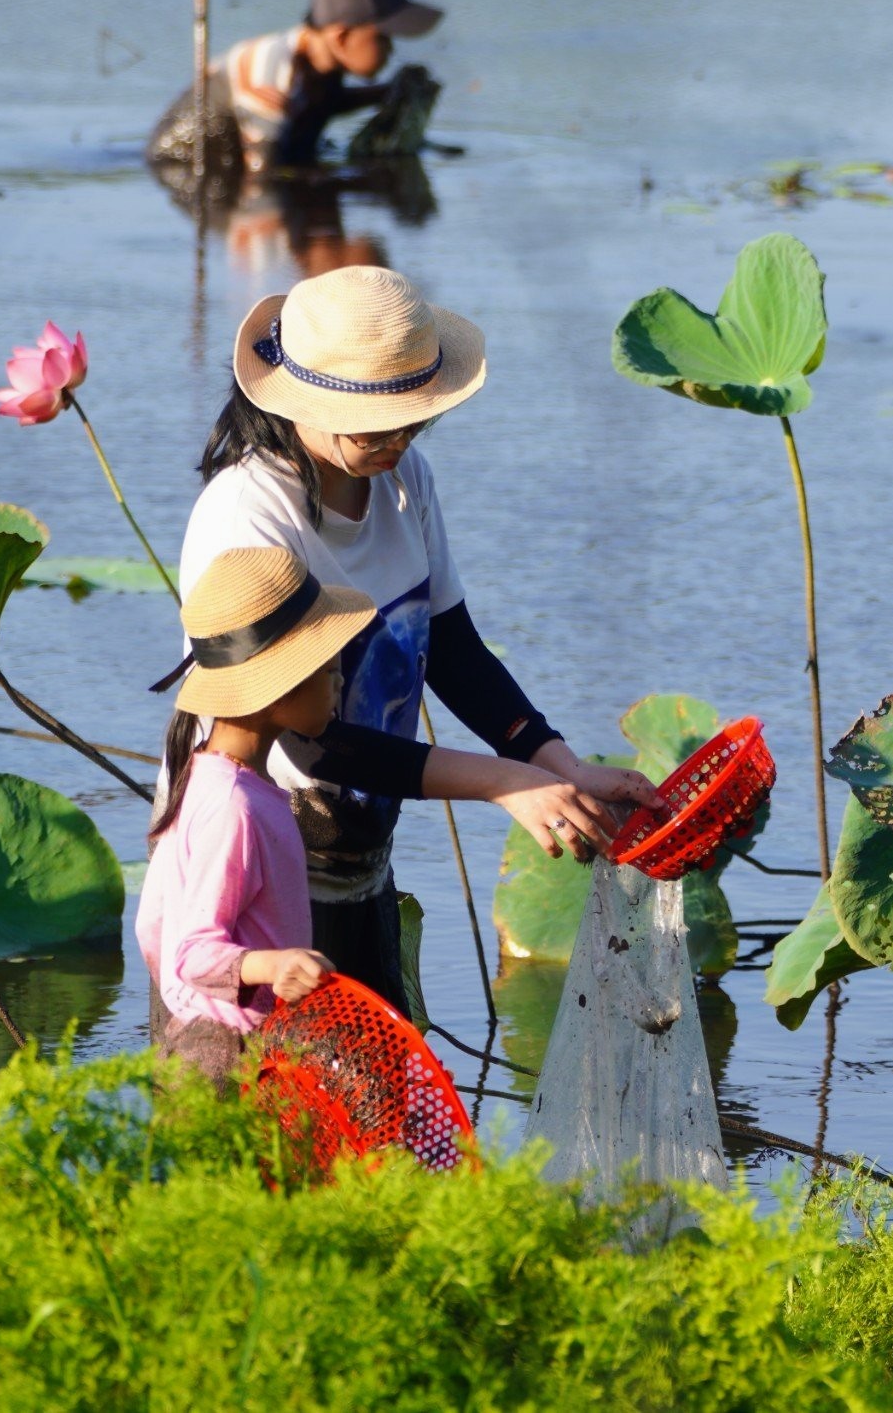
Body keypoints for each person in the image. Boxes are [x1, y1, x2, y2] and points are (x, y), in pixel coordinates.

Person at [169, 263, 662, 1011]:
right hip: (259, 878)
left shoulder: (405, 480)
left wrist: (554, 762)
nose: (401, 436)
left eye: (416, 416)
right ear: (305, 399)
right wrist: (503, 783)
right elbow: (311, 740)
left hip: (359, 854)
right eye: (380, 422)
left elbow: (454, 648)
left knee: (375, 1116)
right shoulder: (249, 515)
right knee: (261, 1117)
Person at [137, 544, 378, 1092]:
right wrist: (272, 966)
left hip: (210, 1041)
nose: (341, 685)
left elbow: (151, 926)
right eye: (331, 670)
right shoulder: (233, 805)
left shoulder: (204, 779)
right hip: (232, 1060)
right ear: (278, 685)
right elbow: (193, 953)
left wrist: (187, 1009)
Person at [222, 0, 441, 175]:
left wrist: (385, 93)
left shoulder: (320, 65)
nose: (391, 50)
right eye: (384, 38)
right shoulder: (272, 76)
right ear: (342, 37)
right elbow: (260, 179)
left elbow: (322, 102)